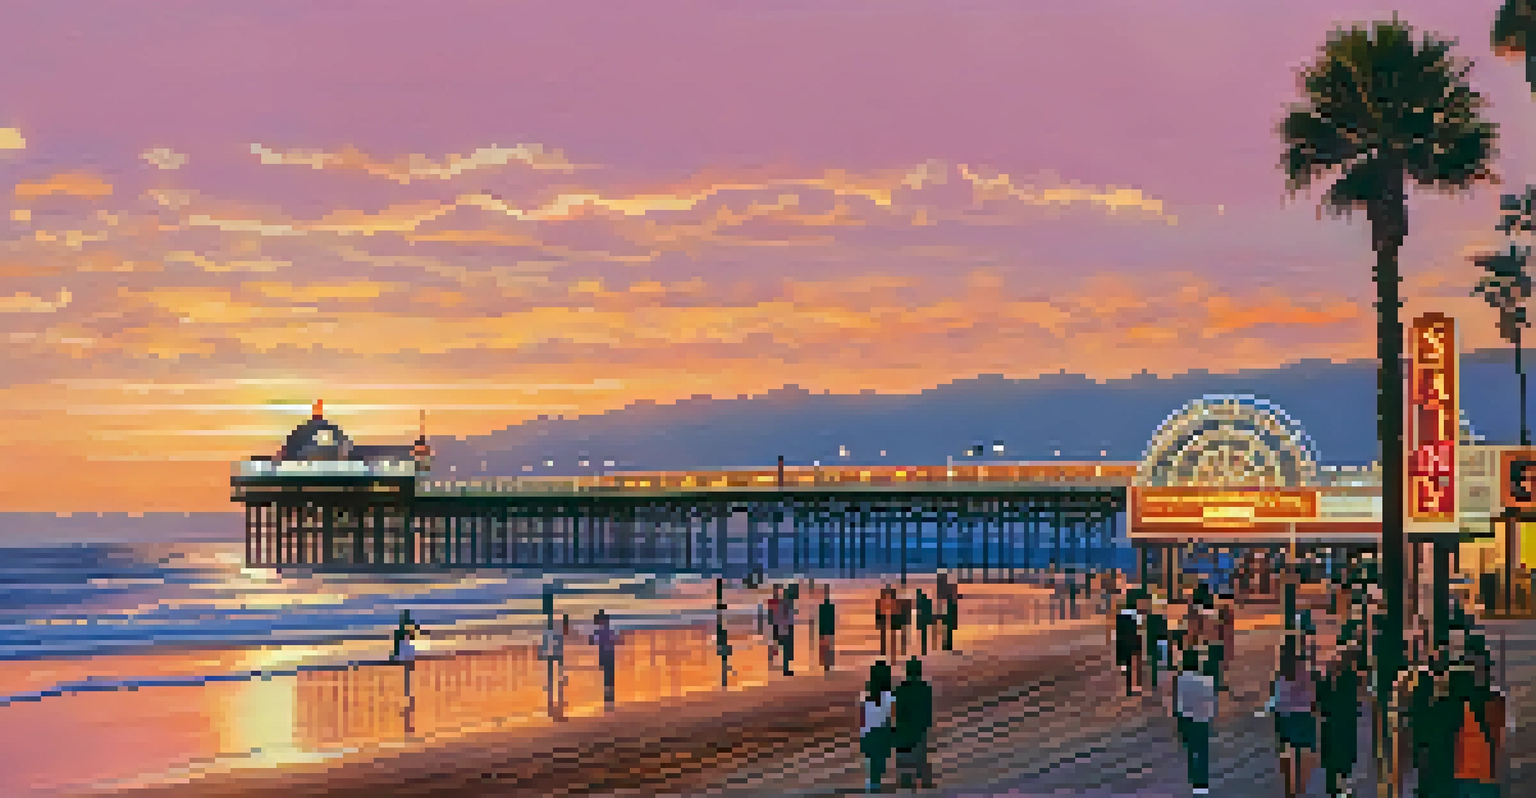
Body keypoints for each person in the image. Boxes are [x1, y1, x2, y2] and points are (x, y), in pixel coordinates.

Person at [1264, 636, 1318, 798]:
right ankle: (1301, 787)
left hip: (1285, 715)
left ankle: (1289, 786)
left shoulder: (1280, 672)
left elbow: (1275, 695)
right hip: (1304, 715)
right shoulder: (1306, 670)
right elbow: (1313, 694)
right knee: (1306, 752)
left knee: (1286, 751)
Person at [1317, 639, 1360, 798]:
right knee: (1343, 763)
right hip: (1345, 726)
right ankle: (1341, 789)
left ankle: (1334, 790)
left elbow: (1320, 699)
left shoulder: (1331, 676)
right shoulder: (1351, 678)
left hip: (1331, 724)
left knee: (1332, 764)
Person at [1174, 648, 1215, 796]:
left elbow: (1178, 702)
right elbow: (1211, 701)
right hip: (1202, 719)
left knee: (1191, 750)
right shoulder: (1207, 679)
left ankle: (1194, 777)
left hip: (1187, 719)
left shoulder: (1180, 679)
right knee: (1203, 751)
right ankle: (1202, 783)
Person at [892, 656, 934, 791]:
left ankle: (906, 782)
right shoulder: (925, 688)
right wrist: (926, 724)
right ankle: (925, 781)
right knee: (921, 757)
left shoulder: (900, 690)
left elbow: (897, 710)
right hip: (919, 727)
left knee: (905, 758)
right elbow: (928, 709)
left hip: (904, 728)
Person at [859, 660, 896, 794]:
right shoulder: (888, 696)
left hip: (867, 734)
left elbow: (862, 717)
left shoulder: (866, 694)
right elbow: (892, 716)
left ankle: (873, 782)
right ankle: (875, 782)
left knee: (872, 761)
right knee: (878, 761)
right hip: (880, 734)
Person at [540, 611, 570, 720]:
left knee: (553, 683)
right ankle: (556, 706)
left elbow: (545, 645)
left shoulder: (552, 631)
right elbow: (552, 645)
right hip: (554, 657)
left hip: (552, 657)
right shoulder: (558, 632)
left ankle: (553, 706)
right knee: (557, 683)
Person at [590, 609, 621, 710]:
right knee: (609, 676)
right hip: (608, 655)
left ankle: (609, 697)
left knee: (607, 676)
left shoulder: (599, 632)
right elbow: (617, 640)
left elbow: (593, 641)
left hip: (605, 656)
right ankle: (610, 697)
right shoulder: (608, 631)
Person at [1115, 594, 1143, 696]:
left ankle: (1128, 685)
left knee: (1126, 665)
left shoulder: (1119, 616)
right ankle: (1129, 688)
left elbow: (1117, 632)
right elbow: (1139, 631)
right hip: (1131, 642)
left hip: (1122, 642)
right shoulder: (1136, 616)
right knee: (1131, 666)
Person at [818, 584, 836, 672]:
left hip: (824, 630)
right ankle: (827, 664)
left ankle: (825, 663)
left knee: (824, 647)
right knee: (827, 647)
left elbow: (821, 619)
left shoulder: (822, 607)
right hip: (828, 629)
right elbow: (831, 619)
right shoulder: (830, 607)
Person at [915, 587, 934, 655]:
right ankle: (924, 650)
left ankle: (924, 650)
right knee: (924, 636)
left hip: (923, 620)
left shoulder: (920, 602)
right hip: (924, 620)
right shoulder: (926, 601)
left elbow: (920, 613)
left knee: (924, 636)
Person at [877, 585, 893, 657]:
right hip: (883, 617)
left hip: (891, 617)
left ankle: (888, 650)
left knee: (892, 635)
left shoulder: (891, 601)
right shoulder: (880, 601)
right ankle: (883, 650)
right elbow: (878, 611)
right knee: (883, 635)